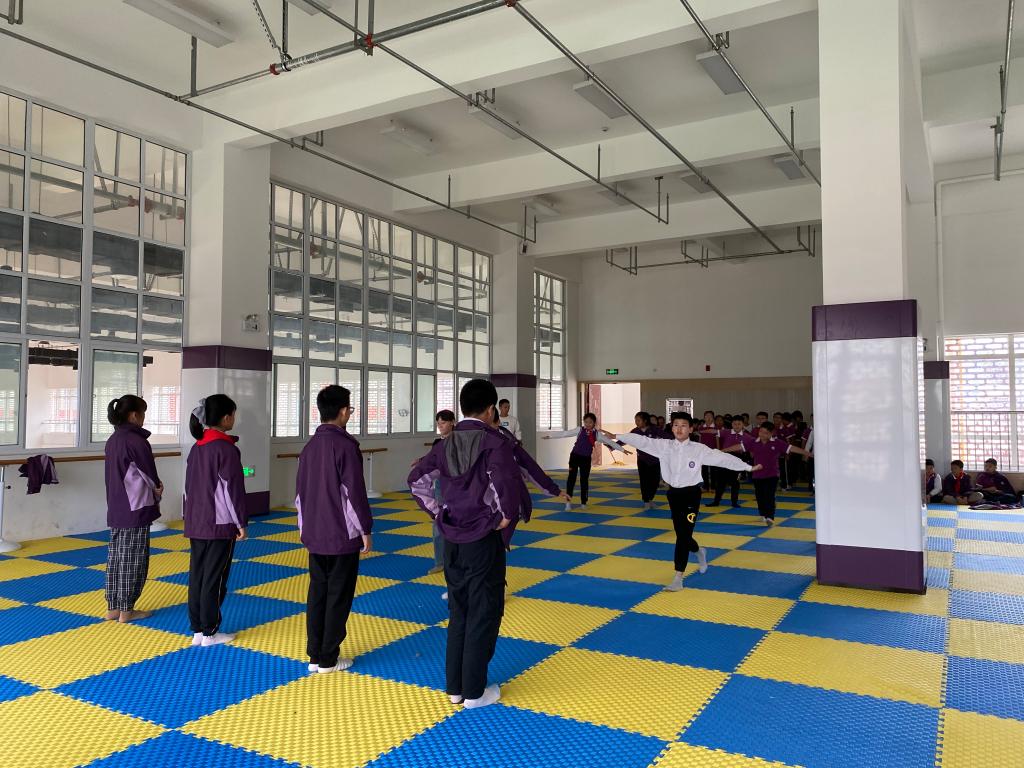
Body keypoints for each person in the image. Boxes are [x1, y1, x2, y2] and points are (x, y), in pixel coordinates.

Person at [408, 379, 521, 710]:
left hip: (452, 538)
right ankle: (474, 692)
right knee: (484, 610)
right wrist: (504, 517)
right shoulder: (494, 443)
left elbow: (416, 481)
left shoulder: (445, 444)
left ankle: (455, 688)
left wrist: (438, 513)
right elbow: (506, 487)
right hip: (482, 538)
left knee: (459, 611)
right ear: (491, 410)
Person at [610, 413, 756, 591]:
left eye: (684, 425)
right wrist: (617, 436)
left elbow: (721, 458)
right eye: (676, 425)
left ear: (691, 429)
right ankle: (699, 551)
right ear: (672, 428)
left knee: (683, 536)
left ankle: (678, 577)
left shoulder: (698, 449)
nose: (679, 429)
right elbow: (642, 441)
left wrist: (747, 467)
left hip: (691, 495)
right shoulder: (664, 446)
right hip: (674, 495)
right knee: (682, 534)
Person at [296, 385, 372, 674]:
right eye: (349, 409)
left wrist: (304, 528)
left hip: (314, 531)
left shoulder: (309, 447)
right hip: (342, 533)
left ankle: (315, 654)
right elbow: (354, 493)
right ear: (343, 411)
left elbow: (300, 495)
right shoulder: (346, 446)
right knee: (339, 595)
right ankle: (329, 657)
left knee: (318, 592)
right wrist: (365, 528)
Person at [184, 394, 248, 647]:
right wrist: (240, 522)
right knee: (215, 578)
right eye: (233, 414)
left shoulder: (197, 447)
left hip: (196, 520)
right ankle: (210, 631)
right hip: (219, 524)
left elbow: (189, 487)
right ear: (226, 417)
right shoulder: (226, 449)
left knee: (198, 575)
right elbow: (233, 491)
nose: (234, 418)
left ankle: (198, 630)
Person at [103, 395, 163, 623]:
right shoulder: (136, 441)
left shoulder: (113, 439)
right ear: (134, 415)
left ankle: (113, 607)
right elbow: (148, 474)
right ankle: (127, 610)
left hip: (116, 506)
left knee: (116, 558)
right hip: (135, 507)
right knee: (133, 559)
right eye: (143, 413)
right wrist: (158, 488)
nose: (144, 418)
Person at [724, 421, 811, 525]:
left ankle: (770, 516)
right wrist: (724, 450)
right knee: (760, 496)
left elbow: (791, 448)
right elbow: (739, 446)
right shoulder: (753, 442)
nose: (762, 434)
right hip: (757, 474)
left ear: (771, 433)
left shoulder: (777, 443)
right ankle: (763, 514)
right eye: (761, 431)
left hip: (772, 475)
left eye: (765, 433)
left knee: (769, 495)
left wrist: (808, 453)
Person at [542, 413, 630, 511]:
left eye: (590, 422)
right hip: (575, 457)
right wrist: (550, 436)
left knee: (584, 480)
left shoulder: (597, 434)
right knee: (571, 479)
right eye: (586, 422)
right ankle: (568, 502)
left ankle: (583, 502)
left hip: (586, 459)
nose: (588, 424)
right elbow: (565, 433)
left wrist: (622, 450)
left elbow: (610, 442)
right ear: (584, 422)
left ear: (594, 423)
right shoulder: (579, 430)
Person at [417, 410, 457, 577]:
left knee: (458, 523)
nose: (440, 426)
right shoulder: (437, 443)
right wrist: (421, 462)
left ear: (452, 422)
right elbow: (432, 460)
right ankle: (440, 562)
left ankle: (457, 560)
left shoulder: (460, 441)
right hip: (441, 485)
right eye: (438, 423)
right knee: (439, 522)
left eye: (443, 423)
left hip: (458, 486)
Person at [712, 415, 747, 508]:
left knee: (735, 482)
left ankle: (734, 502)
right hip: (725, 458)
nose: (737, 426)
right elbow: (716, 433)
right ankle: (716, 501)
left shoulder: (746, 436)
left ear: (743, 425)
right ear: (732, 424)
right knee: (720, 481)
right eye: (735, 424)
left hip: (737, 459)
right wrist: (718, 448)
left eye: (739, 424)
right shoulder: (727, 432)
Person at [632, 411, 661, 509]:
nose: (636, 422)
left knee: (655, 481)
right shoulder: (635, 431)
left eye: (638, 420)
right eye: (635, 420)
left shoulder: (655, 429)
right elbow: (626, 439)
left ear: (645, 421)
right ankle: (646, 501)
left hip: (655, 459)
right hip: (642, 460)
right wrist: (613, 446)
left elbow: (668, 437)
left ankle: (650, 499)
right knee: (644, 481)